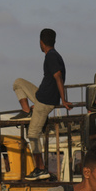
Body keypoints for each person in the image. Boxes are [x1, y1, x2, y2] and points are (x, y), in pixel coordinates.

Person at [12, 28, 74, 180]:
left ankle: (40, 168)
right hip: (41, 96)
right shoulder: (53, 55)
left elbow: (58, 76)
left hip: (45, 101)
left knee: (32, 135)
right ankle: (27, 111)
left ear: (41, 42)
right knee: (18, 83)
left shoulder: (51, 56)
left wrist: (63, 99)